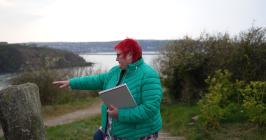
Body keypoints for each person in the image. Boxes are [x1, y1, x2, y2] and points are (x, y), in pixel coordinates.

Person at [53, 38, 163, 140]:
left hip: (138, 134)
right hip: (114, 129)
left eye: (119, 55)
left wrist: (120, 114)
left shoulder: (148, 75)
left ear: (129, 55)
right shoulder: (116, 71)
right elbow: (96, 80)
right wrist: (71, 82)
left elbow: (150, 109)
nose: (116, 59)